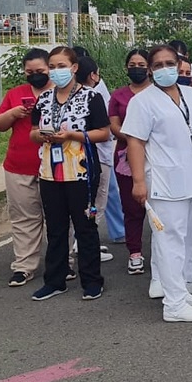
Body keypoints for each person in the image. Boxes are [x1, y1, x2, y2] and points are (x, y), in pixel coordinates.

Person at [122, 44, 192, 323]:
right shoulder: (143, 102)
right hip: (165, 183)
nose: (165, 69)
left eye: (170, 63)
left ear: (179, 65)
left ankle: (185, 286)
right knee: (169, 241)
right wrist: (138, 181)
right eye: (158, 65)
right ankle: (174, 304)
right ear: (151, 70)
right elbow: (135, 142)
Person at [29, 47, 110, 301]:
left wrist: (73, 135)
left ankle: (92, 280)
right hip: (50, 172)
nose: (56, 71)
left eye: (61, 66)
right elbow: (32, 132)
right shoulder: (43, 99)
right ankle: (55, 279)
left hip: (81, 171)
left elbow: (104, 132)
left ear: (74, 68)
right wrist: (42, 135)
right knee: (55, 228)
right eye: (52, 66)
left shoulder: (90, 97)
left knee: (84, 226)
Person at [0, 48, 51, 287]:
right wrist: (14, 113)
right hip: (19, 165)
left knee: (58, 218)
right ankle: (24, 266)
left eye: (40, 71)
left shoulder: (61, 93)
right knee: (24, 218)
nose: (35, 75)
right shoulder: (16, 94)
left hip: (55, 166)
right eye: (30, 72)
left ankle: (64, 261)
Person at [109, 49, 154, 278]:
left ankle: (162, 253)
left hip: (157, 156)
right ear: (127, 67)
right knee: (133, 208)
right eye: (132, 64)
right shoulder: (118, 96)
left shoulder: (159, 93)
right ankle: (135, 253)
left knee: (162, 208)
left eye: (141, 64)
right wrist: (134, 137)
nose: (137, 68)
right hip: (126, 155)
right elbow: (114, 125)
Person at [75, 56, 120, 263]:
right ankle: (85, 245)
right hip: (98, 157)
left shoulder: (69, 95)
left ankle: (81, 242)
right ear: (93, 75)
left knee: (82, 203)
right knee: (96, 203)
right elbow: (107, 131)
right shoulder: (95, 96)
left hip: (75, 158)